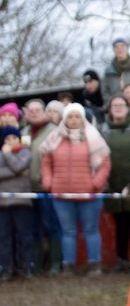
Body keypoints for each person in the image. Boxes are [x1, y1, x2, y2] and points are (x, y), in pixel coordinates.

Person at [41, 103, 111, 275]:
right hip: (61, 195)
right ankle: (68, 266)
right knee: (68, 232)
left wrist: (96, 183)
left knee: (91, 230)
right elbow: (46, 162)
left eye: (77, 116)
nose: (73, 120)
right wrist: (48, 182)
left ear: (82, 118)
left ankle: (94, 264)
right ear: (64, 119)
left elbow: (105, 163)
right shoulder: (54, 138)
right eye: (70, 117)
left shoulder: (94, 138)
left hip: (89, 195)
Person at [22, 99, 62, 274]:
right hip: (27, 190)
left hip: (47, 188)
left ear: (44, 111)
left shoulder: (54, 131)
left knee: (51, 225)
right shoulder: (24, 132)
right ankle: (38, 264)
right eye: (31, 110)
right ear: (26, 113)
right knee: (34, 227)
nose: (35, 113)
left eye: (38, 109)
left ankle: (55, 263)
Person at [103, 96, 130, 271]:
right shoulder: (104, 130)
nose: (117, 108)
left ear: (128, 108)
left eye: (121, 105)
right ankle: (121, 259)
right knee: (120, 225)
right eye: (114, 105)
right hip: (112, 183)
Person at [0, 125, 37, 279]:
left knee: (24, 236)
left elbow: (20, 165)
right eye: (7, 139)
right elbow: (17, 169)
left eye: (13, 138)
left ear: (19, 139)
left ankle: (27, 265)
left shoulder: (26, 152)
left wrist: (8, 157)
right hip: (3, 203)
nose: (10, 142)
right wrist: (17, 172)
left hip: (22, 201)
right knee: (4, 237)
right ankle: (6, 268)